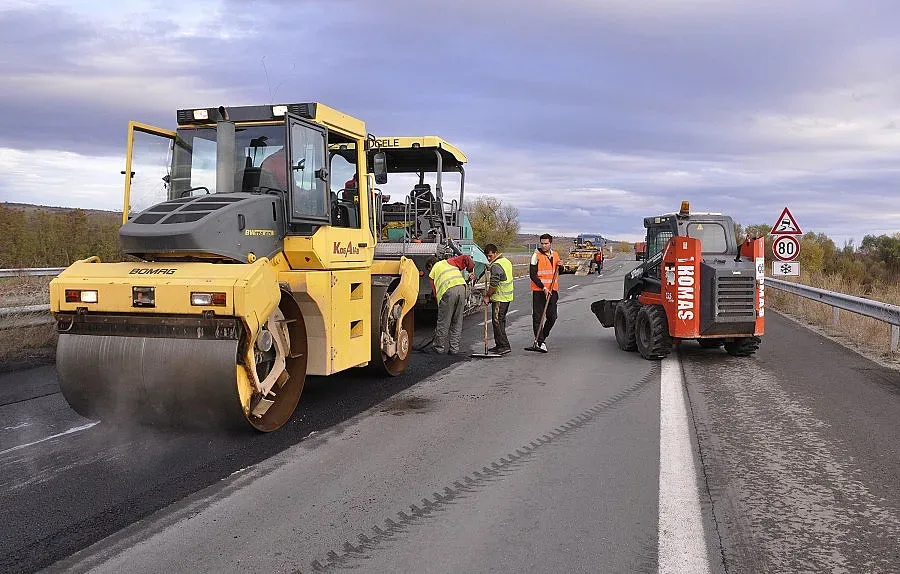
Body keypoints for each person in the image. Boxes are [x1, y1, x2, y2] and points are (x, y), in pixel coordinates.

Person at [425, 255, 467, 355]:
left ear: (430, 265)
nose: (429, 271)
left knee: (443, 321)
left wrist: (439, 303)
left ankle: (438, 347)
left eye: (428, 269)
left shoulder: (434, 269)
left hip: (449, 292)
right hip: (462, 289)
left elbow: (435, 291)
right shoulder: (449, 263)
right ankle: (454, 349)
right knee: (457, 321)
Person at [529, 233, 562, 353]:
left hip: (552, 291)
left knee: (552, 317)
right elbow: (533, 275)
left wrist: (561, 266)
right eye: (542, 243)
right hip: (539, 291)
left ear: (550, 243)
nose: (543, 245)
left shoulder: (555, 255)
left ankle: (543, 335)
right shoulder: (535, 256)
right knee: (537, 317)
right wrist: (543, 287)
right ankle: (540, 341)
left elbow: (559, 272)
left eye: (546, 243)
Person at [482, 244, 513, 355]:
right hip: (506, 297)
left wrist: (487, 296)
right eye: (487, 256)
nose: (488, 258)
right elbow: (502, 274)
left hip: (500, 297)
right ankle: (499, 345)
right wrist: (490, 267)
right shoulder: (505, 261)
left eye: (490, 256)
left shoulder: (496, 265)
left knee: (497, 322)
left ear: (496, 253)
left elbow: (494, 283)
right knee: (500, 321)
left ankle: (504, 345)